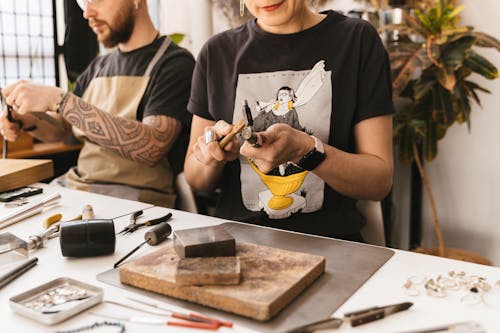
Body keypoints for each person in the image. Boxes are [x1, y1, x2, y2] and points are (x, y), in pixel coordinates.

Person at [184, 0, 394, 241]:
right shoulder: (216, 53)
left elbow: (379, 181)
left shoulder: (357, 40)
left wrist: (307, 150)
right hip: (237, 245)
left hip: (332, 244)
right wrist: (211, 156)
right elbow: (196, 178)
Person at [0, 0, 195, 207]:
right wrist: (29, 121)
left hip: (136, 202)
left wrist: (59, 100)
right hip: (79, 188)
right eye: (84, 3)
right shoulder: (99, 66)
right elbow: (63, 130)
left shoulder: (174, 63)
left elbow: (151, 147)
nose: (87, 13)